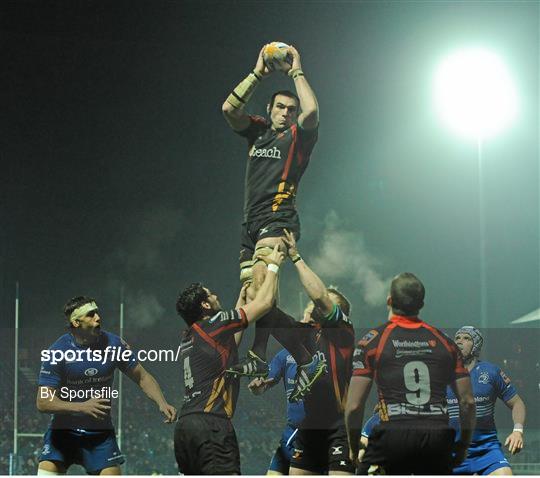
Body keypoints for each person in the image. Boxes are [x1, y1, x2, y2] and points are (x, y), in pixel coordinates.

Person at [222, 43, 320, 380]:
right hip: (249, 224)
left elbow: (312, 113)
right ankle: (303, 349)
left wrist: (296, 71)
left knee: (263, 285)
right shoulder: (258, 131)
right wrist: (257, 73)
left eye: (290, 109)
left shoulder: (298, 137)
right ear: (270, 108)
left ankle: (259, 354)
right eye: (280, 107)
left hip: (279, 220)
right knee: (252, 294)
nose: (286, 112)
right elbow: (228, 109)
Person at [345, 272, 477, 475]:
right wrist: (463, 445)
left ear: (389, 301)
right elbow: (467, 402)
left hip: (392, 436)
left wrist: (354, 448)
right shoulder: (445, 342)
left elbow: (354, 406)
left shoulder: (372, 341)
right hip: (437, 438)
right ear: (421, 304)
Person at [173, 246, 284, 475]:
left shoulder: (190, 336)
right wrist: (273, 265)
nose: (215, 295)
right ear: (205, 305)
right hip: (210, 424)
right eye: (210, 294)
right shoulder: (215, 322)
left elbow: (227, 345)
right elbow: (264, 303)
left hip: (186, 427)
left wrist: (240, 302)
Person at [36, 297, 177, 475]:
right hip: (63, 432)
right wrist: (83, 407)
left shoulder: (114, 344)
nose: (98, 317)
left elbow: (142, 377)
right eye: (90, 314)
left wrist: (162, 402)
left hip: (100, 434)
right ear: (76, 322)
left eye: (97, 312)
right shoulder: (57, 351)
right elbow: (43, 402)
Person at [277, 230, 355, 475]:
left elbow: (320, 296)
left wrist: (296, 257)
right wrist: (271, 268)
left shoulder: (343, 332)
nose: (313, 304)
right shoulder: (307, 334)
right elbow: (272, 312)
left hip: (338, 426)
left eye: (325, 305)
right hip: (309, 427)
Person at [448, 326, 526, 475]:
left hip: (487, 450)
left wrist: (518, 431)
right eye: (457, 338)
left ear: (476, 345)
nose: (459, 341)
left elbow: (517, 403)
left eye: (466, 338)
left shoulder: (491, 372)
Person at [247, 315, 313, 475]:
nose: (302, 321)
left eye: (308, 319)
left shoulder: (324, 354)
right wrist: (257, 387)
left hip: (314, 432)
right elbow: (264, 383)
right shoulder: (284, 355)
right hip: (291, 431)